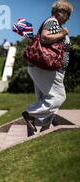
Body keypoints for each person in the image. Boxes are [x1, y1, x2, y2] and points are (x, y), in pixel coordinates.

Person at [22, 0, 73, 136]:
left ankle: (42, 132)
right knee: (59, 97)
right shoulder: (53, 21)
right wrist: (63, 34)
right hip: (47, 68)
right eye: (68, 14)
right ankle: (30, 114)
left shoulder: (54, 23)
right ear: (59, 12)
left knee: (46, 101)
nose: (69, 17)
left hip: (44, 68)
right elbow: (44, 38)